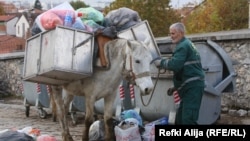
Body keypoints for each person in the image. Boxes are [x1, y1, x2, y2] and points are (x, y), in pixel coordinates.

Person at [154, 22, 205, 125]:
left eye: (173, 34)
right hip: (190, 87)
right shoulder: (186, 44)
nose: (171, 37)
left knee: (188, 120)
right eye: (170, 34)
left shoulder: (183, 46)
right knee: (180, 119)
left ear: (181, 33)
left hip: (192, 88)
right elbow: (186, 68)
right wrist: (175, 87)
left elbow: (175, 65)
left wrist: (161, 62)